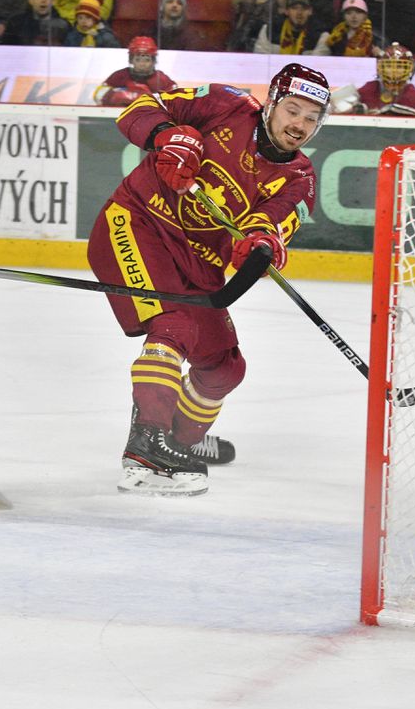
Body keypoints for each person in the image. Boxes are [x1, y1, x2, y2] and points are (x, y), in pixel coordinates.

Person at [85, 63, 331, 496]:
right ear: (271, 104)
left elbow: (271, 228)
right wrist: (168, 135)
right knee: (173, 327)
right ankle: (146, 447)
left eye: (311, 118)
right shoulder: (225, 104)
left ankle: (181, 443)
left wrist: (259, 245)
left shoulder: (300, 179)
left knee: (224, 368)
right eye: (293, 110)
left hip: (197, 263)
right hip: (137, 222)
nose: (300, 125)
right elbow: (137, 109)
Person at [349, 43, 415, 117]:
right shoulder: (368, 90)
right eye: (389, 65)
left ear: (410, 69)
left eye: (399, 66)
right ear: (380, 67)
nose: (394, 70)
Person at [93, 36, 178, 107]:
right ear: (131, 60)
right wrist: (113, 97)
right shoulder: (120, 75)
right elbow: (98, 96)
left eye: (147, 60)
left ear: (153, 61)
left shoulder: (161, 79)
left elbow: (176, 101)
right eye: (138, 60)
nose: (142, 64)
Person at [252, 0, 324, 53]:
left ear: (310, 11)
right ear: (286, 11)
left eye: (304, 8)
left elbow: (320, 64)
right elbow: (261, 59)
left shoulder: (320, 35)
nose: (299, 13)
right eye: (294, 8)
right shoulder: (270, 30)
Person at [3, 0, 69, 45]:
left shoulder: (63, 25)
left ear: (53, 1)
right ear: (30, 0)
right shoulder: (16, 23)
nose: (43, 0)